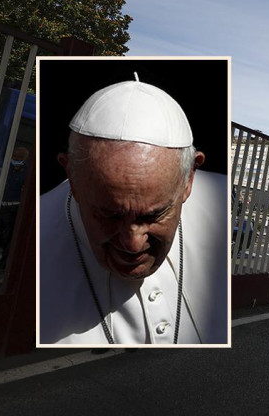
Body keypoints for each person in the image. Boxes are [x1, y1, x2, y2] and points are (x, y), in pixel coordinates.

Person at [40, 76, 227, 345]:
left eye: (153, 215)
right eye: (109, 214)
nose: (132, 244)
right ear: (71, 174)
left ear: (189, 179)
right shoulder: (31, 248)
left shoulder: (223, 203)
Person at [0, 146, 29, 278]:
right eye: (15, 157)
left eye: (19, 158)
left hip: (14, 207)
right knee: (1, 235)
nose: (16, 160)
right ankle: (8, 252)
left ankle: (2, 265)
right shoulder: (5, 168)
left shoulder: (25, 171)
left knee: (9, 236)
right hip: (3, 205)